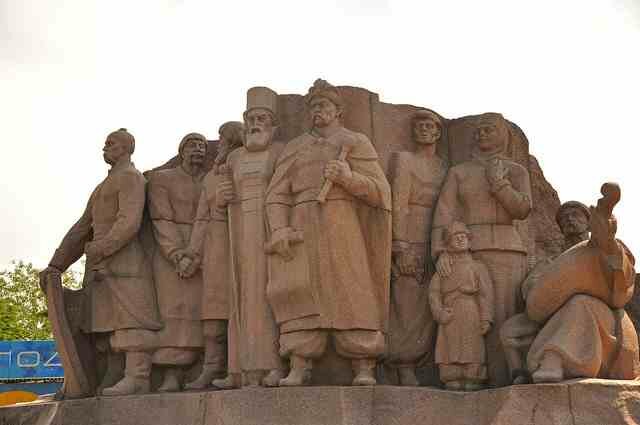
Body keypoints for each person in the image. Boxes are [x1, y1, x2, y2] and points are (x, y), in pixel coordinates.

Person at [264, 79, 392, 386]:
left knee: (351, 291)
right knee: (301, 293)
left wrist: (348, 178)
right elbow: (277, 194)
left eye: (323, 105)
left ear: (338, 110)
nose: (317, 111)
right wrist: (280, 227)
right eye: (313, 106)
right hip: (302, 226)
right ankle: (299, 362)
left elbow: (381, 193)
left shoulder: (355, 142)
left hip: (342, 223)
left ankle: (363, 364)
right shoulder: (295, 148)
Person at [41, 128, 162, 396]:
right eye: (106, 143)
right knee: (104, 328)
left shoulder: (131, 178)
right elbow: (83, 228)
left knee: (131, 321)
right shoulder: (102, 187)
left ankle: (138, 376)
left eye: (112, 143)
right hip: (100, 266)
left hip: (124, 263)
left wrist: (101, 248)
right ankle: (112, 375)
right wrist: (57, 264)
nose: (105, 147)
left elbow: (128, 222)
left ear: (127, 148)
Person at [431, 113, 532, 387]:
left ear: (503, 135)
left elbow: (522, 209)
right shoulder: (459, 172)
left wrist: (500, 183)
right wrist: (441, 251)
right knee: (470, 318)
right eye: (479, 130)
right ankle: (472, 375)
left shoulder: (516, 171)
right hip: (468, 251)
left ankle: (507, 376)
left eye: (490, 129)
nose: (483, 134)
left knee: (503, 315)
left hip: (508, 249)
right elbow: (445, 213)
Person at [211, 87, 287, 388]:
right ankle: (238, 369)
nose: (256, 124)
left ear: (273, 126)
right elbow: (219, 198)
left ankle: (273, 365)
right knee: (239, 297)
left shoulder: (280, 151)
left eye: (262, 119)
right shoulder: (234, 158)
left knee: (266, 297)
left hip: (269, 230)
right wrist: (221, 197)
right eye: (251, 118)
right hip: (239, 230)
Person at [385, 109, 447, 386]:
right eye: (418, 125)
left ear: (437, 132)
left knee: (432, 304)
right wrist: (400, 245)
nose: (423, 129)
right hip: (411, 238)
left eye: (428, 125)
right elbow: (399, 202)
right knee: (407, 303)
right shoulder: (404, 160)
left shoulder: (444, 167)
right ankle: (404, 364)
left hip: (438, 240)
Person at [183, 122, 244, 390]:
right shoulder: (210, 178)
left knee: (244, 309)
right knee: (213, 313)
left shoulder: (247, 165)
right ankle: (211, 367)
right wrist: (192, 253)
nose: (218, 144)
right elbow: (201, 219)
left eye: (222, 139)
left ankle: (243, 366)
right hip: (215, 246)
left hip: (243, 242)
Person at [147, 132, 209, 391]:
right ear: (182, 151)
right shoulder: (163, 179)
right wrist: (176, 254)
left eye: (202, 146)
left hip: (205, 248)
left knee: (202, 312)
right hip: (169, 251)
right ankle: (171, 373)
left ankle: (203, 367)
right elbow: (161, 218)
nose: (198, 149)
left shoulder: (210, 179)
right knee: (171, 312)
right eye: (192, 145)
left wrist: (196, 254)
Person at [429, 221, 493, 391]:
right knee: (449, 347)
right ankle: (452, 376)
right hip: (450, 314)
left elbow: (485, 294)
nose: (460, 240)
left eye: (463, 236)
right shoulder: (443, 269)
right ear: (448, 243)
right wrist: (439, 313)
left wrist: (486, 318)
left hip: (471, 311)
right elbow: (434, 293)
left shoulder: (478, 267)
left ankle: (473, 376)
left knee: (472, 347)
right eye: (455, 237)